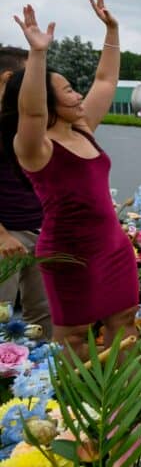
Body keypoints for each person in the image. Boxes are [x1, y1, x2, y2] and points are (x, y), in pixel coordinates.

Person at [2, 0, 138, 358]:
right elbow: (30, 112)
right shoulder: (35, 147)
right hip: (67, 253)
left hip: (112, 246)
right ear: (48, 101)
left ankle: (125, 404)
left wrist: (112, 30)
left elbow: (106, 80)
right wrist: (38, 55)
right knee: (73, 336)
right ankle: (75, 406)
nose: (79, 95)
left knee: (125, 325)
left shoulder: (82, 129)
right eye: (68, 91)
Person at [0, 54, 51, 338]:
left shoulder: (23, 122)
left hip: (40, 230)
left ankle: (41, 377)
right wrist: (3, 235)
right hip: (7, 236)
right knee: (2, 313)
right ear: (8, 79)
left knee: (43, 318)